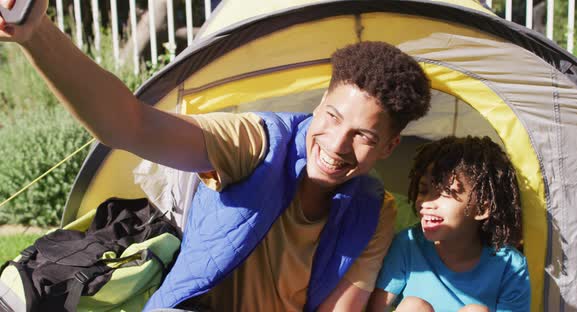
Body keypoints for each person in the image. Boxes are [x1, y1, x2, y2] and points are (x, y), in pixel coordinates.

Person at [0, 1, 431, 311]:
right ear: (318, 105)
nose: (336, 145)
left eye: (363, 137)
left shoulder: (374, 211)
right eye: (333, 117)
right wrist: (38, 35)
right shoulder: (257, 143)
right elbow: (130, 125)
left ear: (389, 147)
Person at [367, 136, 531, 312]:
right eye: (423, 190)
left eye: (446, 193)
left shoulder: (511, 266)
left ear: (482, 209)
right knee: (414, 306)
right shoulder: (408, 243)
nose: (426, 202)